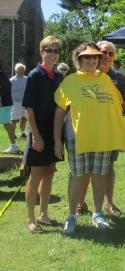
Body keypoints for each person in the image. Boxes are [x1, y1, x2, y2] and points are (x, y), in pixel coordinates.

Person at [53, 42, 125, 235]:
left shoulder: (105, 80)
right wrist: (56, 140)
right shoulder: (70, 80)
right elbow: (60, 112)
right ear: (79, 60)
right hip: (77, 138)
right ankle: (71, 216)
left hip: (102, 138)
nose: (91, 60)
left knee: (99, 176)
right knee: (77, 177)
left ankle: (97, 213)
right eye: (86, 57)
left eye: (95, 57)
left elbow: (118, 105)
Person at [75, 40, 125, 216]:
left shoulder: (118, 77)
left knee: (108, 167)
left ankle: (109, 203)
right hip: (88, 129)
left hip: (110, 129)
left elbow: (124, 104)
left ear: (114, 57)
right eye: (103, 52)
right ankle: (80, 203)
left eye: (110, 54)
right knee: (87, 169)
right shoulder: (87, 72)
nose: (106, 56)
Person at [22, 36, 64, 233]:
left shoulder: (58, 77)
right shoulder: (34, 75)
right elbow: (28, 109)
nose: (53, 54)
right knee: (36, 175)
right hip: (38, 130)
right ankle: (30, 218)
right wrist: (36, 136)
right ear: (42, 52)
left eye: (56, 51)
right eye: (49, 50)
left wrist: (57, 138)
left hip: (54, 130)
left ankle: (43, 214)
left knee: (49, 173)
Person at [0, 63, 17, 154]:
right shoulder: (3, 75)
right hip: (5, 103)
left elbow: (3, 89)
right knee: (7, 123)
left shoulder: (2, 76)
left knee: (6, 123)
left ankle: (14, 146)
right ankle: (14, 145)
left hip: (3, 104)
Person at [10, 63, 28, 141]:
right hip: (15, 102)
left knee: (24, 118)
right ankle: (12, 134)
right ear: (16, 70)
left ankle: (22, 133)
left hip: (25, 102)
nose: (22, 71)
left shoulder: (27, 79)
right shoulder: (12, 80)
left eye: (23, 70)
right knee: (14, 119)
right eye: (20, 70)